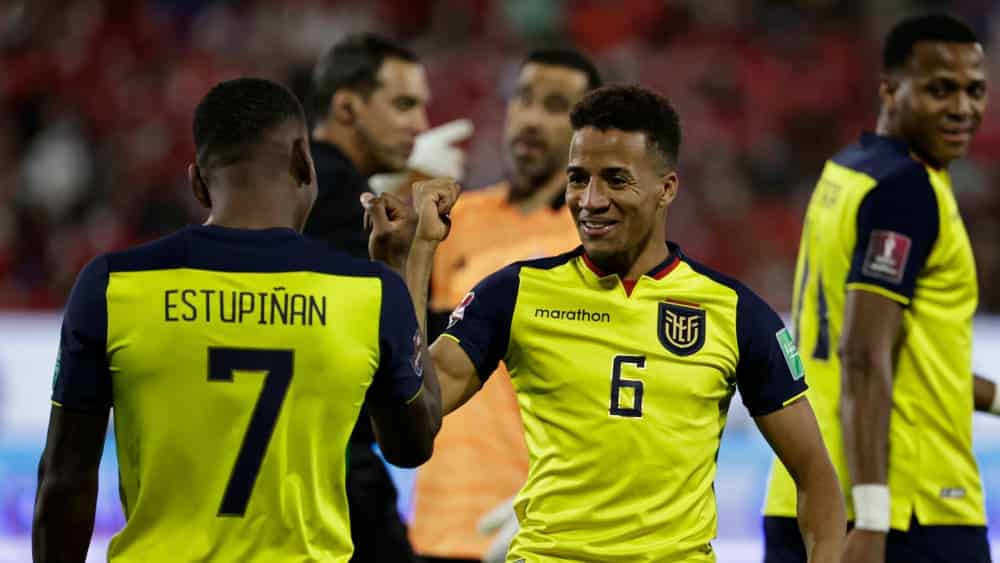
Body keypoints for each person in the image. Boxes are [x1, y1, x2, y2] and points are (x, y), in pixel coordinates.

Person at [366, 85, 846, 563]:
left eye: (616, 180)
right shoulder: (513, 293)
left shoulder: (734, 311)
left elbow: (817, 478)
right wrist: (410, 260)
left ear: (667, 188)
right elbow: (409, 435)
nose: (590, 200)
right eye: (578, 179)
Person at [32, 77, 442, 563]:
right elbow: (411, 444)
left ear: (197, 183)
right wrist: (403, 268)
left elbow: (64, 478)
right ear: (303, 160)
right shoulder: (370, 292)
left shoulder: (111, 285)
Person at [762, 13, 997, 563]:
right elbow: (864, 355)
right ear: (890, 90)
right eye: (940, 89)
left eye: (974, 90)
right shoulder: (905, 190)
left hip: (802, 492)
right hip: (907, 506)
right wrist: (872, 517)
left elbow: (900, 355)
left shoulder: (847, 172)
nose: (962, 108)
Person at [410, 47, 602, 563]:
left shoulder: (597, 241)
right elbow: (403, 345)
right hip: (436, 528)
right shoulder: (456, 220)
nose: (532, 118)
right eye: (524, 99)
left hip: (538, 531)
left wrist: (565, 501)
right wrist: (392, 183)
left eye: (556, 106)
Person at [305, 33, 469, 562]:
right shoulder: (341, 201)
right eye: (403, 105)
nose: (420, 124)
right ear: (347, 107)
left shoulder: (301, 189)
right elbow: (394, 346)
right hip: (334, 475)